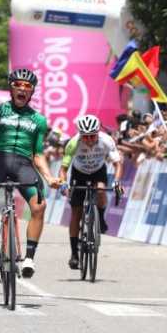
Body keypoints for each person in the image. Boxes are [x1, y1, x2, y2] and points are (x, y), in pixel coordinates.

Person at [0, 68, 60, 279]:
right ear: (11, 87)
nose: (22, 89)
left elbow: (38, 154)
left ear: (32, 91)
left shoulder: (39, 119)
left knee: (39, 205)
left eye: (27, 86)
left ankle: (29, 258)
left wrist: (49, 177)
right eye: (18, 84)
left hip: (24, 165)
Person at [58, 115, 124, 270]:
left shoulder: (106, 140)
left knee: (101, 189)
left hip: (98, 170)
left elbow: (118, 164)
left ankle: (100, 218)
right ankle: (74, 254)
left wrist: (117, 181)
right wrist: (63, 184)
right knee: (76, 213)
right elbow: (63, 169)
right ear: (80, 135)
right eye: (85, 137)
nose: (88, 140)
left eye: (92, 136)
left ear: (98, 132)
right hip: (79, 173)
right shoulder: (73, 143)